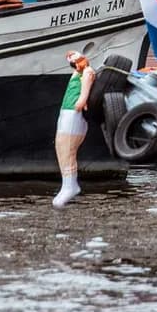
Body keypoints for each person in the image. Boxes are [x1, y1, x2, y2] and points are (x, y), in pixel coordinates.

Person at [53, 50, 96, 208]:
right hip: (66, 112)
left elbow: (84, 92)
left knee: (68, 149)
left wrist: (80, 103)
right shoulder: (76, 73)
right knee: (60, 147)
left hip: (73, 113)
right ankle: (67, 184)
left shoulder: (88, 72)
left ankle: (70, 186)